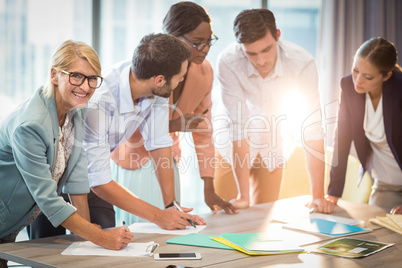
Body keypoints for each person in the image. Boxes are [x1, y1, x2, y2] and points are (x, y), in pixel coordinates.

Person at [0, 40, 133, 267]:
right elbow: (48, 198)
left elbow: (77, 177)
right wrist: (101, 237)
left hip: (12, 225)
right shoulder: (30, 126)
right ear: (54, 75)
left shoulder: (76, 113)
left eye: (93, 78)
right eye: (76, 76)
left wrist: (88, 243)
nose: (86, 86)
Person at [110, 2, 237, 225]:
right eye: (197, 43)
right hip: (134, 159)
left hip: (168, 160)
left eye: (209, 41)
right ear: (173, 38)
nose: (205, 49)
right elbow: (128, 129)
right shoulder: (151, 69)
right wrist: (174, 125)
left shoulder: (204, 71)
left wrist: (209, 186)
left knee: (172, 222)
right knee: (141, 232)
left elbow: (203, 130)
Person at [213, 8, 333, 213]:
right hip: (231, 144)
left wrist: (318, 196)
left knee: (262, 220)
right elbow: (238, 127)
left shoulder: (303, 63)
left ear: (277, 35)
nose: (261, 61)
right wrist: (243, 196)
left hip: (273, 143)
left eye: (266, 50)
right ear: (240, 47)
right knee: (225, 217)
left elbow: (312, 129)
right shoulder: (228, 61)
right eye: (251, 53)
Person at [84, 33, 206, 230]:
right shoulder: (101, 101)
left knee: (106, 237)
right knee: (49, 247)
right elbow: (97, 179)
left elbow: (158, 143)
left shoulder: (154, 85)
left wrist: (170, 207)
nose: (182, 79)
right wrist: (158, 217)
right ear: (159, 80)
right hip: (54, 177)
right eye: (180, 77)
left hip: (92, 175)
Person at [327, 37, 402, 213]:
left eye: (368, 77)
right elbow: (341, 140)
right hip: (385, 185)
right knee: (375, 233)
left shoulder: (399, 90)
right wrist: (333, 193)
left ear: (387, 76)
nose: (357, 81)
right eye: (355, 71)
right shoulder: (348, 86)